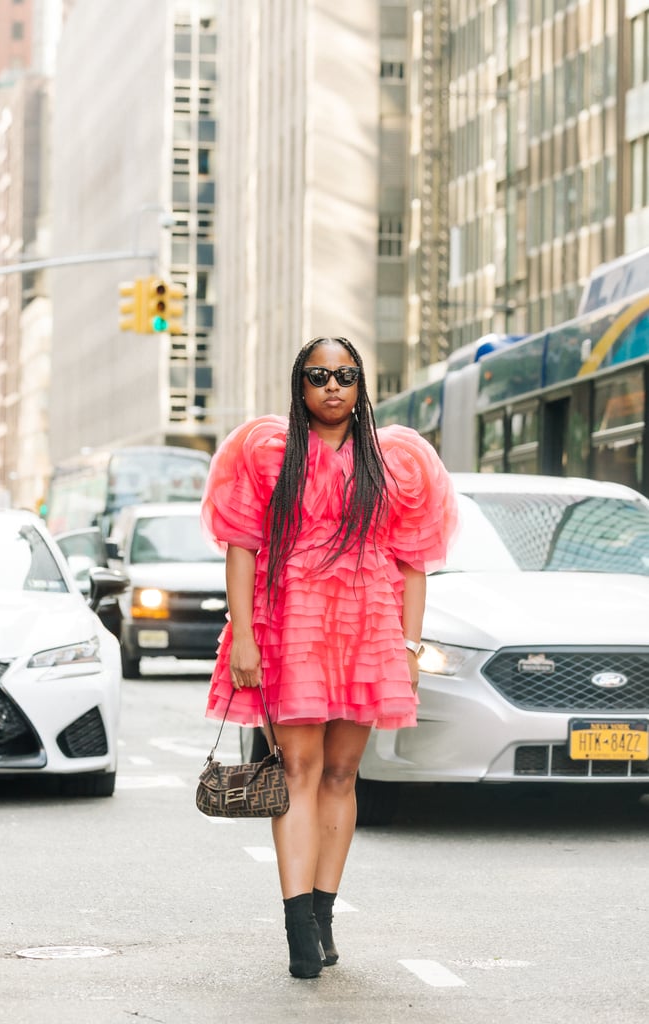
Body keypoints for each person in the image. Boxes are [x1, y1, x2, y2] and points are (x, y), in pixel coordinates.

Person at [201, 336, 457, 979]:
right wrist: (246, 638)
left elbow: (412, 562)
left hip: (368, 628)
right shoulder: (266, 451)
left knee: (342, 773)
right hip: (290, 623)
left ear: (361, 384)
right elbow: (240, 548)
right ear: (301, 386)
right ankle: (297, 934)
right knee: (298, 771)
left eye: (345, 375)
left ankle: (323, 914)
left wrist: (408, 646)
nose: (333, 386)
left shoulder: (395, 460)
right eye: (319, 376)